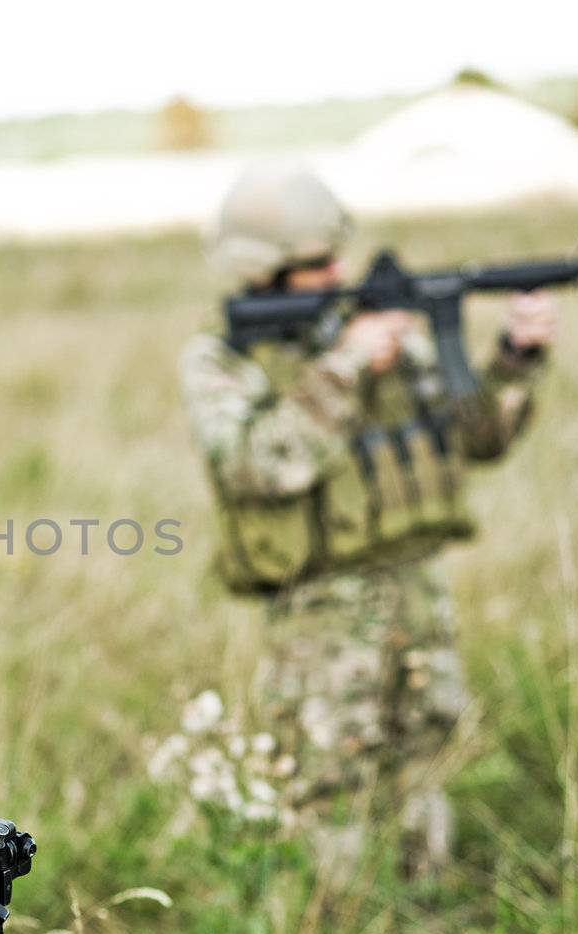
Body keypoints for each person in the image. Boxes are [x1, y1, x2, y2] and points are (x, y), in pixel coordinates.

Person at [180, 163, 556, 875]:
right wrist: (347, 365)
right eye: (317, 264)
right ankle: (335, 933)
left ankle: (427, 903)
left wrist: (515, 359)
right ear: (262, 271)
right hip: (320, 607)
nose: (338, 272)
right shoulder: (223, 359)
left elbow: (479, 439)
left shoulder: (383, 333)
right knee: (328, 776)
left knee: (425, 756)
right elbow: (258, 465)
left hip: (415, 586)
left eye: (336, 256)